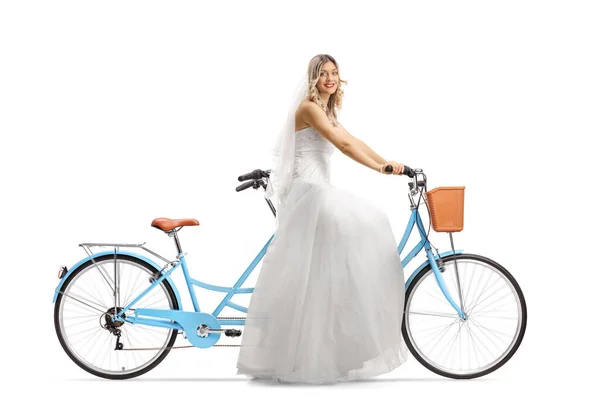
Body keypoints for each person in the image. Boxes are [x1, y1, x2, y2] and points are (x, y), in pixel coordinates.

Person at [236, 54, 409, 384]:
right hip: (308, 192)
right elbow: (342, 145)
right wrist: (379, 169)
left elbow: (353, 139)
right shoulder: (309, 108)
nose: (329, 78)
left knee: (321, 275)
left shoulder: (327, 111)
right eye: (322, 74)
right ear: (312, 79)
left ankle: (326, 349)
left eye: (334, 73)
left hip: (318, 191)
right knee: (370, 221)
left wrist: (388, 162)